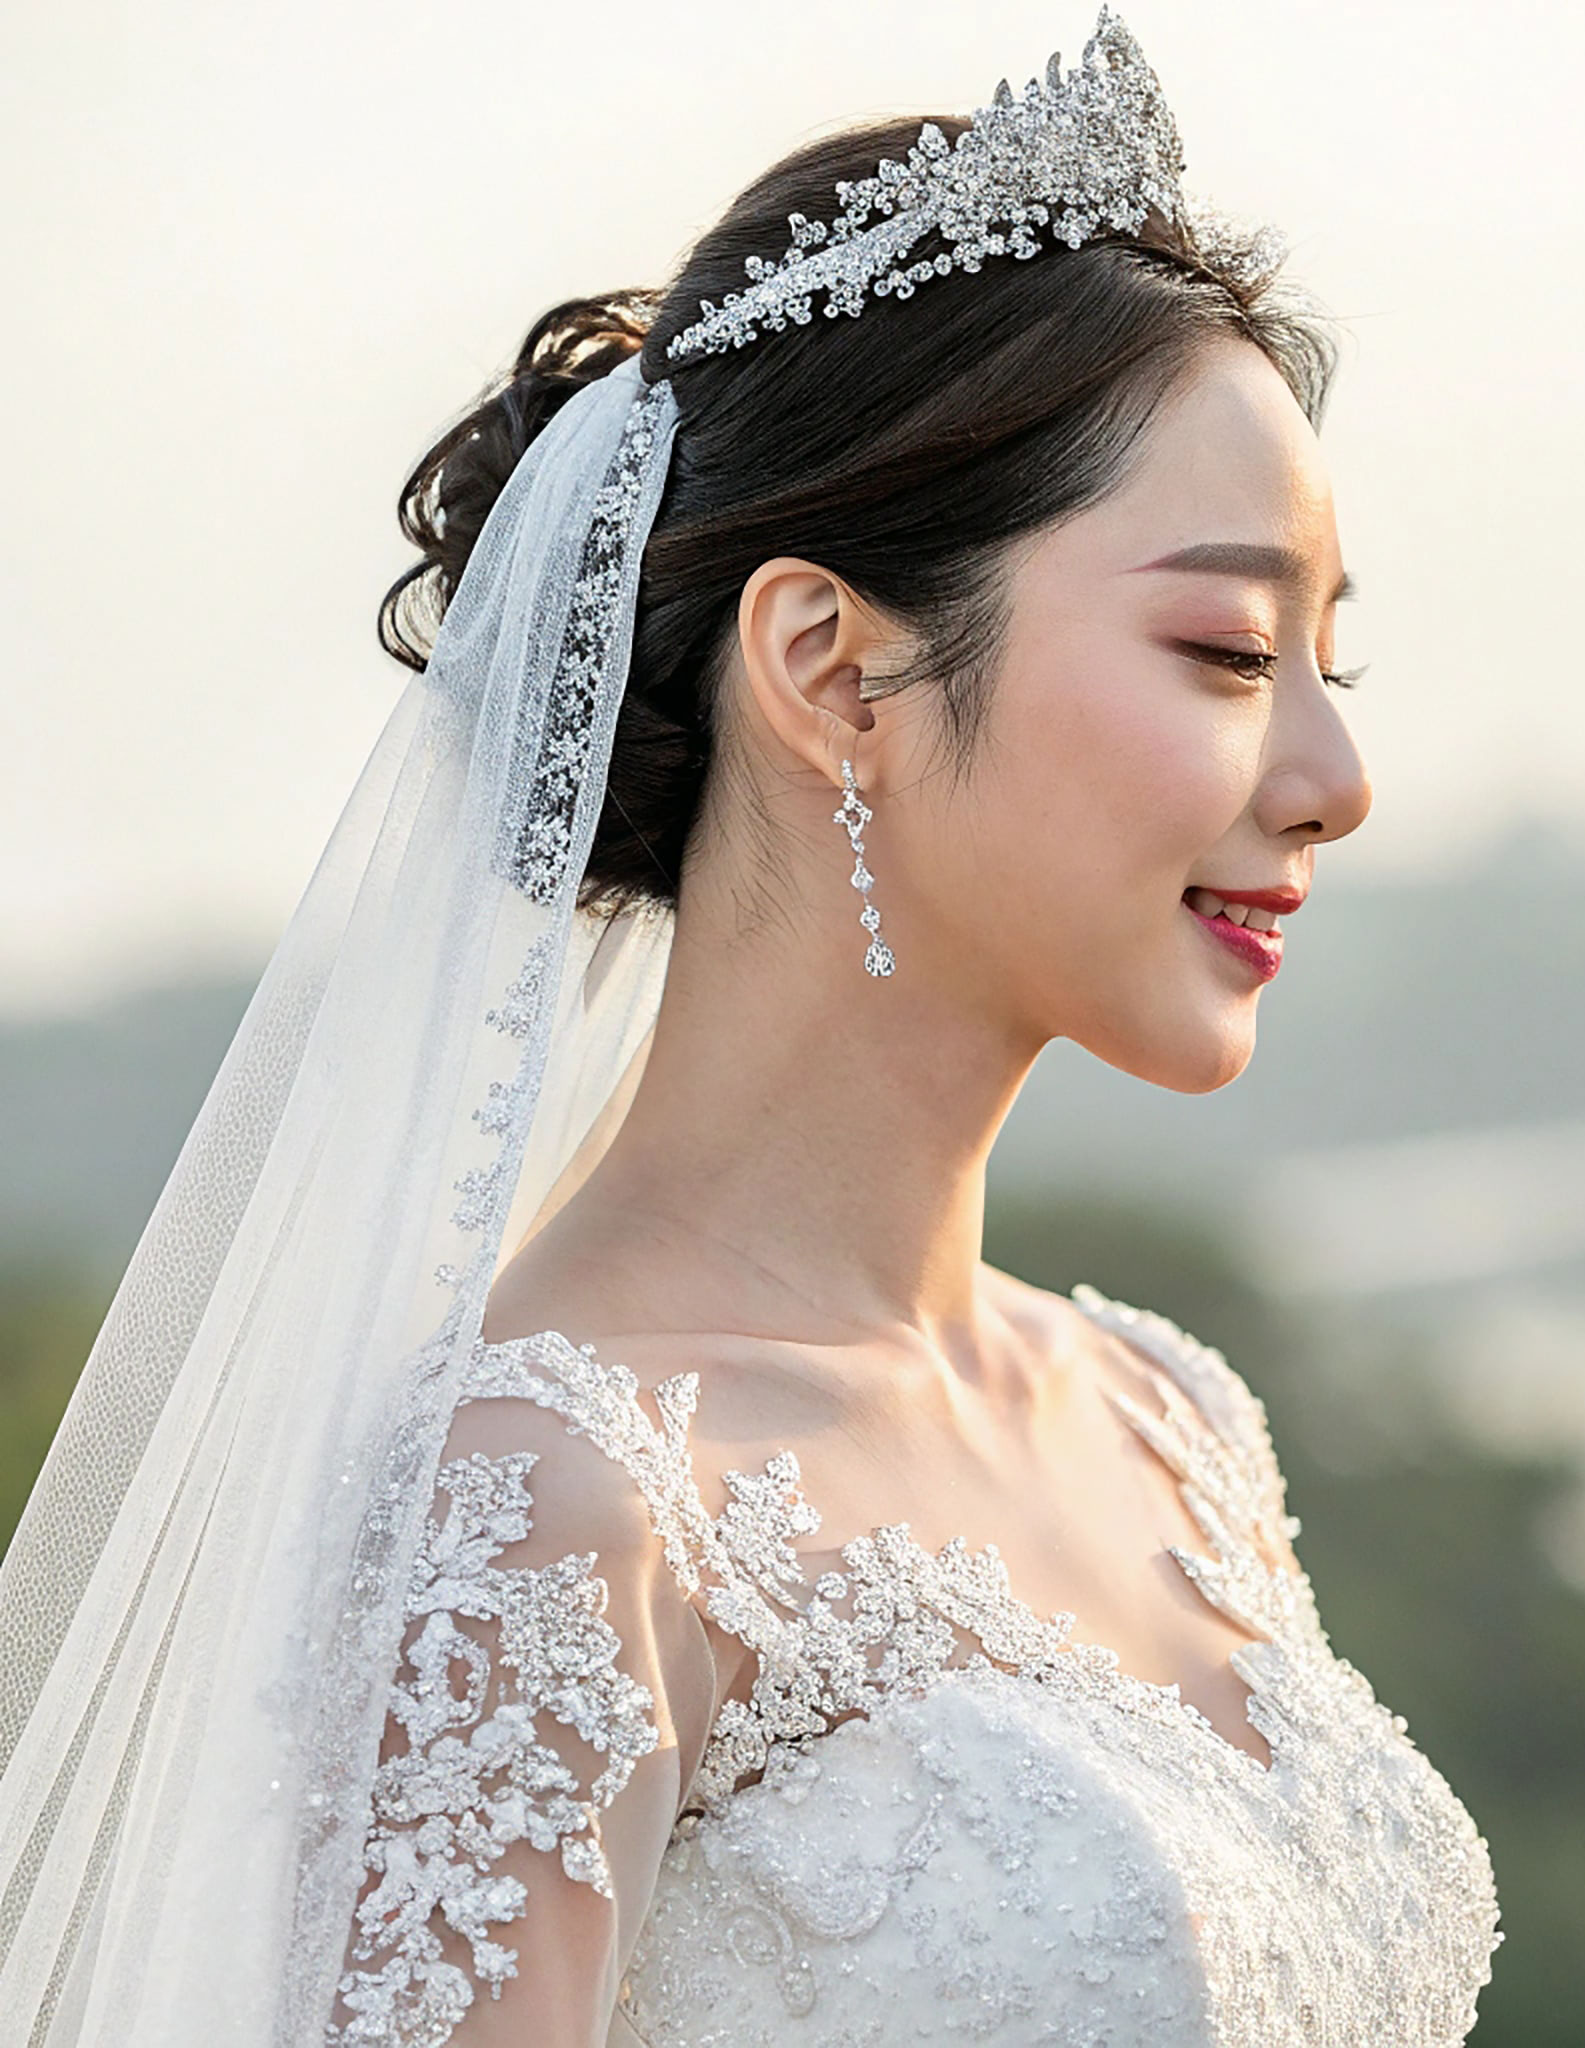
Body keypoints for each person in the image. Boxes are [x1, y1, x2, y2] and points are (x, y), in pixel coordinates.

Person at [0, 12, 1499, 2043]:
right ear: (830, 667)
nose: (1335, 778)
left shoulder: (1171, 1420)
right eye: (1228, 650)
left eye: (1329, 661)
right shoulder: (555, 1498)